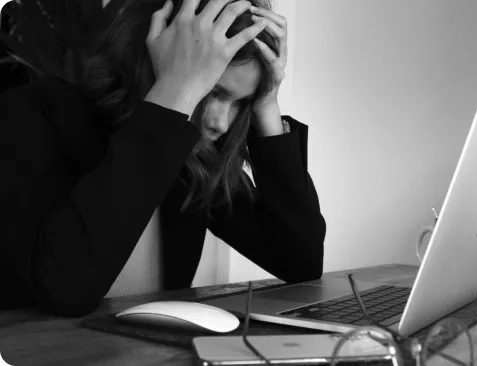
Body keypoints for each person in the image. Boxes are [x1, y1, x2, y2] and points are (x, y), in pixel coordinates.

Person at [0, 0, 326, 317]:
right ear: (152, 61)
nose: (220, 122)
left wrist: (267, 104)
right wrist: (173, 93)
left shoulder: (194, 156)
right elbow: (65, 290)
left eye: (240, 102)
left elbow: (301, 262)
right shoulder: (34, 114)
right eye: (212, 91)